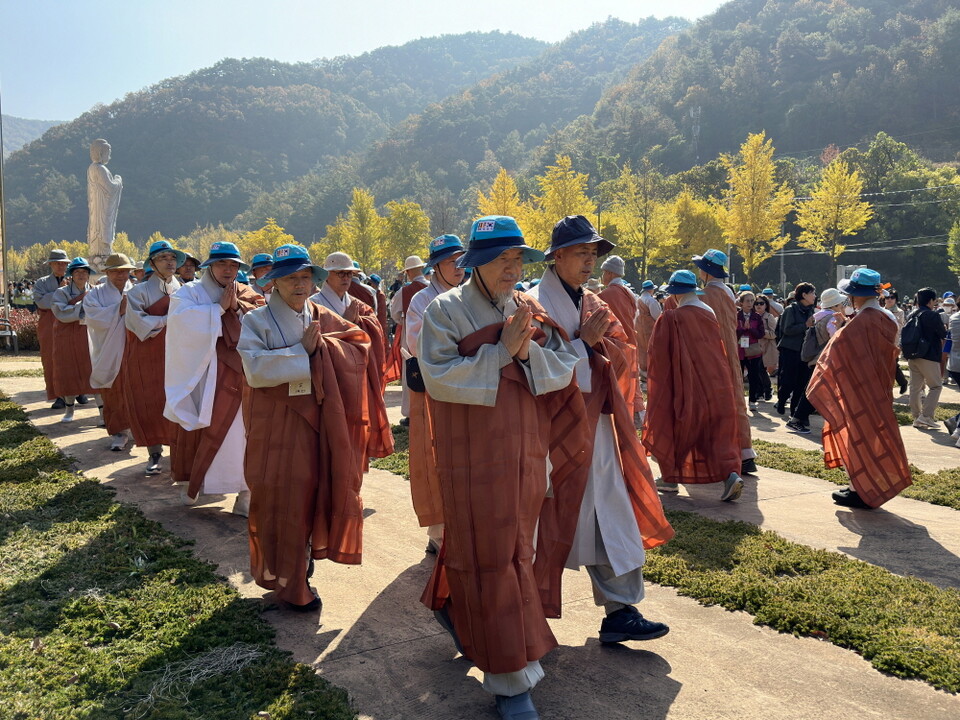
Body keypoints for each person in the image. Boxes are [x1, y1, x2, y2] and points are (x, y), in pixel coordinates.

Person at [417, 216, 592, 720]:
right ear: (475, 263)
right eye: (502, 259)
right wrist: (502, 353)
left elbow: (563, 365)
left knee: (514, 548)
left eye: (518, 259)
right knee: (492, 555)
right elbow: (439, 376)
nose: (514, 268)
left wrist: (525, 353)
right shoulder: (445, 311)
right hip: (472, 454)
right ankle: (509, 679)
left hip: (523, 449)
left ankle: (450, 605)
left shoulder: (526, 307)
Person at [528, 216, 673, 649]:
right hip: (551, 433)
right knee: (541, 521)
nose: (590, 262)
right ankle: (523, 611)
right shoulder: (533, 302)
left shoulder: (592, 302)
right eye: (581, 253)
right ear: (556, 256)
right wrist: (582, 347)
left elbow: (621, 350)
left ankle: (620, 611)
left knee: (611, 513)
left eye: (594, 254)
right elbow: (532, 366)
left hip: (599, 431)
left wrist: (597, 346)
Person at [238, 244, 373, 610]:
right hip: (277, 424)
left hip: (318, 419)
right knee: (281, 496)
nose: (299, 284)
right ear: (274, 284)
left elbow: (359, 343)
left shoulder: (320, 314)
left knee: (314, 490)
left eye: (304, 277)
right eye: (289, 278)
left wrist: (324, 349)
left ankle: (304, 561)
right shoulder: (256, 321)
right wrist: (304, 354)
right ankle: (291, 580)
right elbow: (254, 369)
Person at [164, 242, 264, 514]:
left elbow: (263, 319)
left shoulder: (247, 292)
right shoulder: (190, 292)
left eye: (233, 265)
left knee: (242, 433)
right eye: (222, 264)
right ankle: (193, 483)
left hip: (240, 372)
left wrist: (240, 307)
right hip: (204, 373)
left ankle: (245, 494)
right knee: (202, 428)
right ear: (210, 266)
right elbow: (180, 324)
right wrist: (217, 310)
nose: (228, 270)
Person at [807, 269, 911, 508]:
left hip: (859, 388)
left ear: (858, 295)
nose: (849, 299)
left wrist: (843, 326)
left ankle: (860, 490)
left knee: (858, 436)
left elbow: (837, 353)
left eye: (851, 294)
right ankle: (870, 484)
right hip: (881, 385)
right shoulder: (887, 317)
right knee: (874, 436)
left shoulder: (862, 321)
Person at [643, 269, 745, 502]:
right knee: (716, 433)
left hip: (686, 383)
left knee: (680, 427)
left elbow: (658, 355)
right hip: (717, 381)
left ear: (675, 293)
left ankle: (669, 478)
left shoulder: (671, 317)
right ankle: (730, 475)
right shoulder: (708, 312)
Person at [404, 234, 466, 554]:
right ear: (434, 267)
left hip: (467, 388)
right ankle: (438, 532)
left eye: (460, 260)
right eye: (450, 261)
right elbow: (416, 344)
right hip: (435, 391)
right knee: (435, 457)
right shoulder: (421, 300)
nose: (458, 267)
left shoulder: (471, 295)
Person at [310, 252, 393, 459]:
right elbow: (311, 340)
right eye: (340, 274)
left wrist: (360, 323)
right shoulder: (312, 303)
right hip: (327, 373)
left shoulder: (357, 304)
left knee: (354, 425)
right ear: (327, 275)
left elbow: (374, 334)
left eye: (349, 274)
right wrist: (345, 323)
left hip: (355, 372)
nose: (346, 278)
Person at [691, 249, 757, 474]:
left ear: (707, 270)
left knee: (712, 403)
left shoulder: (705, 294)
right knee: (736, 400)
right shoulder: (728, 291)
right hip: (731, 350)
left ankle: (718, 453)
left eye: (701, 266)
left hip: (712, 353)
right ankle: (744, 452)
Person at [124, 240, 182, 476]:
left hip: (179, 352)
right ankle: (154, 452)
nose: (169, 262)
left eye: (172, 258)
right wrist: (170, 320)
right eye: (163, 258)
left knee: (177, 397)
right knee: (149, 399)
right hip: (147, 352)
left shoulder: (185, 290)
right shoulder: (138, 292)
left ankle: (180, 451)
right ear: (151, 263)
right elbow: (137, 323)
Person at [84, 253, 135, 450]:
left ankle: (137, 429)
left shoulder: (137, 291)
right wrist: (118, 310)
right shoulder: (95, 294)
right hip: (108, 349)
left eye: (124, 271)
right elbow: (94, 318)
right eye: (115, 272)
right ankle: (119, 432)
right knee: (113, 391)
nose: (121, 275)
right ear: (107, 272)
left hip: (133, 349)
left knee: (135, 390)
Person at [49, 258, 99, 423]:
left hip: (89, 335)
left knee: (94, 371)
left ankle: (103, 413)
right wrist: (85, 306)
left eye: (84, 272)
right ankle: (69, 410)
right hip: (67, 336)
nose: (81, 275)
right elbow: (61, 312)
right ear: (71, 275)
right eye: (77, 272)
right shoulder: (61, 293)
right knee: (68, 372)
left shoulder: (94, 290)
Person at [597, 254, 643, 416]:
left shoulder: (606, 295)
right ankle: (635, 413)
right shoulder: (629, 292)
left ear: (609, 273)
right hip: (631, 342)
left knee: (618, 386)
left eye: (603, 272)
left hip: (616, 345)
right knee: (631, 383)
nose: (602, 276)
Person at [385, 255, 430, 404]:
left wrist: (404, 321)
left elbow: (394, 312)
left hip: (409, 333)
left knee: (410, 368)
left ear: (408, 272)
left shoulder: (404, 291)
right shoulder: (432, 288)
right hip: (434, 333)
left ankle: (410, 410)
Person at [777, 281, 818, 434]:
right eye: (812, 293)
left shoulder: (811, 310)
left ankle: (796, 414)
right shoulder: (790, 310)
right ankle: (781, 400)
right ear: (804, 295)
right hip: (790, 349)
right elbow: (787, 329)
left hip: (804, 351)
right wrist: (805, 325)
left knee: (801, 383)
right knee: (788, 380)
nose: (814, 296)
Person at [905, 288, 947, 429]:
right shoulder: (932, 315)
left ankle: (916, 417)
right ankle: (926, 416)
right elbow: (942, 333)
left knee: (915, 388)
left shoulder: (911, 314)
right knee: (936, 386)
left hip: (912, 354)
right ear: (931, 301)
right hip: (929, 355)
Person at [33, 248, 71, 409]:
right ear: (50, 264)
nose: (60, 266)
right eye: (57, 263)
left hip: (69, 323)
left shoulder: (74, 280)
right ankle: (58, 395)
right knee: (51, 359)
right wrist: (59, 291)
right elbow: (41, 302)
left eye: (63, 263)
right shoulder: (41, 283)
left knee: (72, 357)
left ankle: (77, 391)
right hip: (48, 324)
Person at [735, 291, 765, 411]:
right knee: (738, 376)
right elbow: (733, 332)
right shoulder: (736, 316)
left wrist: (751, 329)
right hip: (739, 350)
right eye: (747, 301)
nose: (750, 303)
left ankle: (752, 400)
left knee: (754, 376)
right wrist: (742, 329)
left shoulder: (757, 317)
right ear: (741, 303)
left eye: (752, 301)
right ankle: (739, 400)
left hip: (753, 350)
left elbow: (761, 334)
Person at [883, 290, 908, 394]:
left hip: (894, 343)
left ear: (896, 300)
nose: (889, 300)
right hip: (882, 342)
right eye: (887, 297)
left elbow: (899, 327)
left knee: (894, 364)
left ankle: (902, 382)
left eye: (892, 297)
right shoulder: (880, 310)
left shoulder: (900, 312)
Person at [635, 279, 661, 379]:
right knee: (652, 347)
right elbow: (656, 315)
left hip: (639, 324)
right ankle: (652, 370)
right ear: (651, 290)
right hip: (649, 325)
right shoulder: (651, 300)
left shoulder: (639, 299)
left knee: (641, 347)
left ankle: (643, 369)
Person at [754, 294, 777, 400]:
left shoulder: (769, 317)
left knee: (761, 369)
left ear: (766, 305)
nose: (759, 306)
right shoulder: (751, 317)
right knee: (755, 370)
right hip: (753, 347)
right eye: (756, 303)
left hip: (766, 347)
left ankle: (767, 390)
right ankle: (760, 391)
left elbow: (774, 334)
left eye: (761, 303)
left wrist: (762, 331)